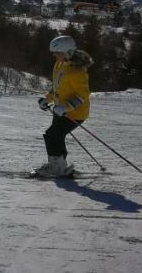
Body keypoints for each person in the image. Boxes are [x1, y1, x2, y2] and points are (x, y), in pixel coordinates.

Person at [35, 35, 92, 177]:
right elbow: (57, 88)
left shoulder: (78, 71)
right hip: (61, 111)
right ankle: (61, 165)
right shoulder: (59, 65)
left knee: (52, 135)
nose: (54, 55)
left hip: (76, 114)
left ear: (67, 52)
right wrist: (47, 100)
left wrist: (65, 107)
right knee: (56, 136)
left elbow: (82, 97)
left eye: (57, 53)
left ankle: (56, 167)